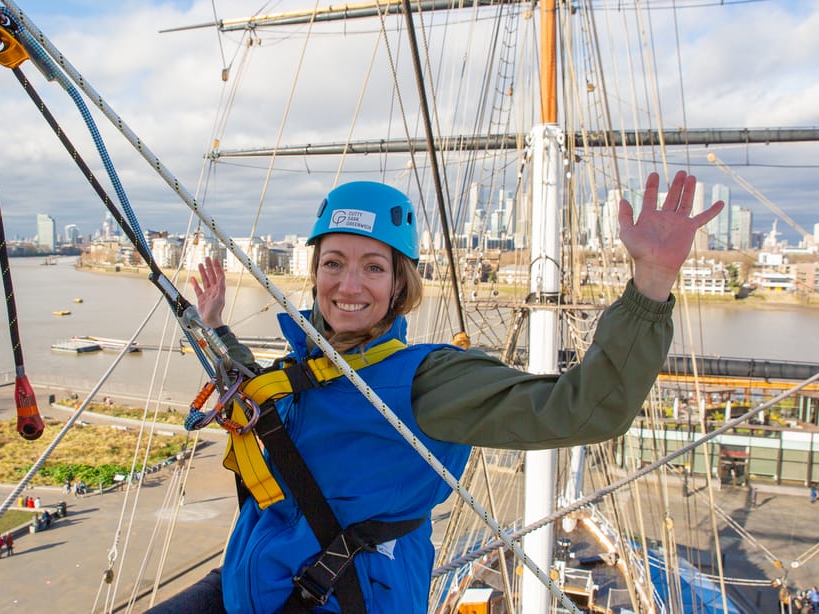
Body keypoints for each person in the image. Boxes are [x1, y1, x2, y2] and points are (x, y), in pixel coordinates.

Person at [152, 172, 722, 613]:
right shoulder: (310, 365)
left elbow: (582, 408)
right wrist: (216, 326)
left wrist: (651, 284)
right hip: (254, 580)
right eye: (334, 263)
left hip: (330, 598)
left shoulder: (429, 380)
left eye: (373, 267)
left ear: (401, 283)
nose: (348, 285)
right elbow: (263, 405)